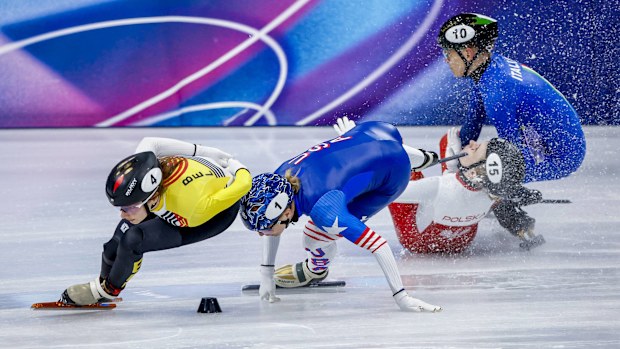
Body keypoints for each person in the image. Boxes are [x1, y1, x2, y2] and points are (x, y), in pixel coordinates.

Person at [239, 118, 442, 312]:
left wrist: (402, 297)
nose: (262, 233)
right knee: (386, 156)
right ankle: (423, 157)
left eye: (264, 227)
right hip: (372, 132)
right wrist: (266, 273)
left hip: (393, 177)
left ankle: (316, 270)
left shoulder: (325, 210)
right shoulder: (279, 177)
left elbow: (379, 246)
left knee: (312, 237)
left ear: (287, 211)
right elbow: (272, 229)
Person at [437, 13, 586, 238]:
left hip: (559, 157)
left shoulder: (498, 90)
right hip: (549, 143)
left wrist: (493, 187)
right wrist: (460, 153)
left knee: (480, 167)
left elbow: (510, 159)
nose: (446, 60)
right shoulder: (488, 71)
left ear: (467, 52)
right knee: (467, 153)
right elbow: (472, 124)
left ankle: (519, 225)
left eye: (448, 54)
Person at [60, 137, 251, 306]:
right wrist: (203, 151)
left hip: (212, 215)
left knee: (133, 239)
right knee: (112, 246)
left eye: (128, 207)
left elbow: (244, 184)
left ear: (150, 200)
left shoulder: (192, 208)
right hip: (177, 193)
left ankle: (108, 291)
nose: (122, 214)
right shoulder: (145, 165)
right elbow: (152, 141)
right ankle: (104, 282)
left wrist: (236, 165)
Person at [389, 126, 545, 253]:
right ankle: (517, 224)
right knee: (449, 142)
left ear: (474, 172)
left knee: (397, 157)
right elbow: (457, 194)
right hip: (462, 242)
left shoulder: (436, 187)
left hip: (417, 240)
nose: (472, 142)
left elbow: (388, 192)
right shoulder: (496, 193)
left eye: (476, 149)